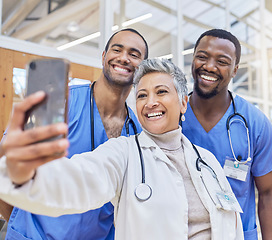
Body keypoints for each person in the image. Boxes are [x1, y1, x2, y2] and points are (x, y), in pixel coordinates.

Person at [0, 58, 243, 240]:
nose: (150, 103)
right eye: (141, 96)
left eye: (161, 92)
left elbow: (231, 225)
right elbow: (80, 179)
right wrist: (27, 175)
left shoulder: (207, 161)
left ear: (183, 102)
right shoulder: (123, 153)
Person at [0, 28, 148, 240]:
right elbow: (5, 169)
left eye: (134, 54)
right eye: (117, 50)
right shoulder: (59, 104)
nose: (124, 58)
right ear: (104, 56)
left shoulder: (137, 131)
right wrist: (22, 228)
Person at [181, 29, 272, 239]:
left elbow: (269, 193)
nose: (209, 66)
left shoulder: (254, 123)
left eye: (222, 61)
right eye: (202, 57)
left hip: (237, 234)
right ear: (193, 60)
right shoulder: (173, 114)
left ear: (235, 70)